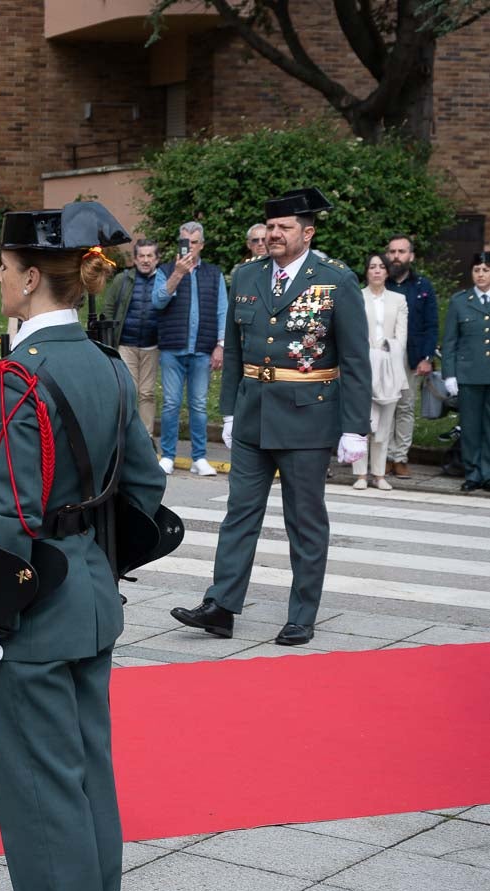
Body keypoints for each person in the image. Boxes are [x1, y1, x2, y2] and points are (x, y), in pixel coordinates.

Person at [0, 201, 166, 891]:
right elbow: (144, 490)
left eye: (6, 269)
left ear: (29, 281)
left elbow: (11, 516)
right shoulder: (109, 368)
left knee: (43, 805)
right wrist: (90, 566)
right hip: (88, 602)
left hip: (33, 619)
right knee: (87, 790)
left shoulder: (19, 378)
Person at [171, 187, 371, 647]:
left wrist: (354, 425)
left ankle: (302, 613)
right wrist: (229, 411)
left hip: (308, 417)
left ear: (308, 232)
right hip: (254, 413)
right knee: (239, 514)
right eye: (271, 228)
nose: (275, 235)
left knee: (304, 520)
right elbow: (236, 350)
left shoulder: (334, 280)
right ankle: (221, 605)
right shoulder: (247, 276)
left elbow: (356, 359)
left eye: (284, 228)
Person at [151, 221, 227, 477]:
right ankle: (169, 455)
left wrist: (221, 345)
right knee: (171, 404)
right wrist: (177, 274)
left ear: (201, 245)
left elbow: (222, 311)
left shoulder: (214, 274)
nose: (190, 247)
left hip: (203, 348)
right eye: (185, 242)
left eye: (194, 242)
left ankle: (199, 457)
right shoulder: (166, 270)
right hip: (173, 348)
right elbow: (158, 301)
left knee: (199, 404)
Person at [384, 234, 440, 478]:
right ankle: (382, 456)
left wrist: (426, 357)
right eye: (392, 251)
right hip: (383, 357)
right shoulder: (380, 283)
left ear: (411, 256)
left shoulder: (422, 287)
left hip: (411, 357)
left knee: (405, 408)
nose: (396, 256)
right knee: (384, 407)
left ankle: (400, 457)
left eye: (401, 251)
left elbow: (431, 325)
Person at [354, 252, 408, 491]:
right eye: (372, 266)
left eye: (381, 267)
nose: (376, 270)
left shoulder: (398, 300)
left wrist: (388, 351)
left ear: (387, 271)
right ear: (366, 271)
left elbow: (401, 335)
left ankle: (378, 473)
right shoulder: (357, 297)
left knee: (384, 424)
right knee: (361, 421)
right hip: (362, 365)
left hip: (388, 364)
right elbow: (352, 332)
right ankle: (360, 475)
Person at [101, 238, 161, 437]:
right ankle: (127, 436)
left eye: (149, 256)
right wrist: (109, 339)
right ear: (135, 260)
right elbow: (108, 308)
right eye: (141, 256)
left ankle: (146, 437)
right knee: (130, 390)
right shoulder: (123, 280)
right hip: (126, 344)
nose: (145, 260)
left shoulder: (163, 280)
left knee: (147, 393)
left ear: (157, 258)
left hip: (152, 346)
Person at [441, 251, 490, 492]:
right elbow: (450, 341)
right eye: (477, 270)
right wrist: (449, 374)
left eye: (485, 270)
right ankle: (472, 472)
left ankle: (488, 472)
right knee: (470, 427)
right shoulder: (460, 301)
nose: (481, 275)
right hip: (469, 375)